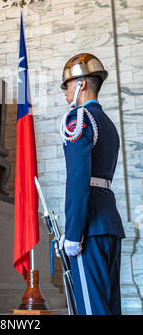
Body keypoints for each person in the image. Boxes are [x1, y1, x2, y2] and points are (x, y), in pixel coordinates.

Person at [59, 53, 125, 315]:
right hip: (109, 224)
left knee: (91, 309)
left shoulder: (80, 119)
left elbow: (78, 180)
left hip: (88, 230)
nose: (65, 92)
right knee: (109, 306)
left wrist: (74, 234)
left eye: (67, 85)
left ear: (82, 84)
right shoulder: (107, 123)